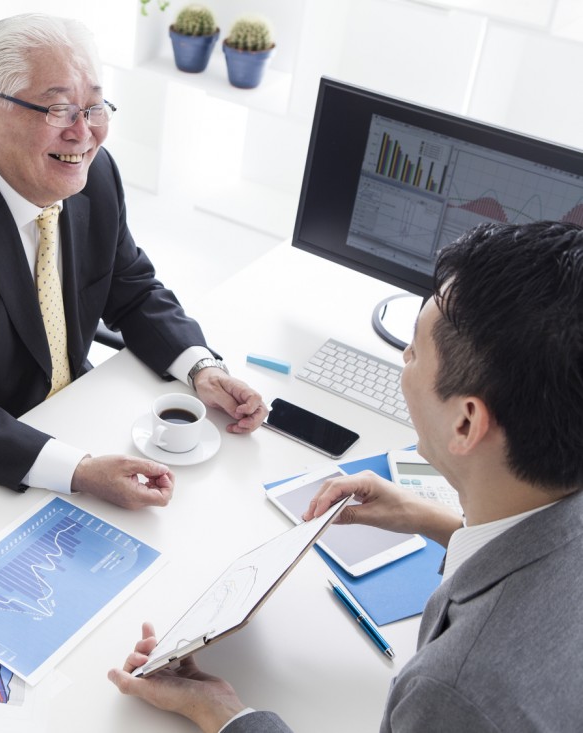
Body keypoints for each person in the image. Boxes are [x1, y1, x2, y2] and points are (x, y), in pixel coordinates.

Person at [109, 220, 583, 732]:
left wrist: (224, 714)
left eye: (415, 351)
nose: (403, 358)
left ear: (465, 423)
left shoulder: (455, 694)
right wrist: (428, 518)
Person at [0, 13, 267, 510]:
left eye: (95, 107)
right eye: (59, 110)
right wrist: (80, 472)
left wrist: (201, 368)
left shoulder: (95, 177)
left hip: (62, 420)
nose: (84, 134)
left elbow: (132, 287)